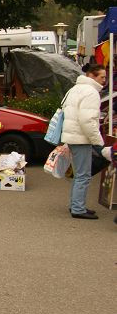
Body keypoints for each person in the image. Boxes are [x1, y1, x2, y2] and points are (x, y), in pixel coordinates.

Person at [61, 63, 107, 219]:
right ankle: (78, 208)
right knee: (84, 175)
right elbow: (87, 120)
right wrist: (98, 141)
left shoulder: (75, 89)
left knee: (80, 174)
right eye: (102, 77)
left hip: (72, 136)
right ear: (92, 76)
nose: (104, 81)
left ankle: (76, 205)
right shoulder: (91, 92)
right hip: (81, 137)